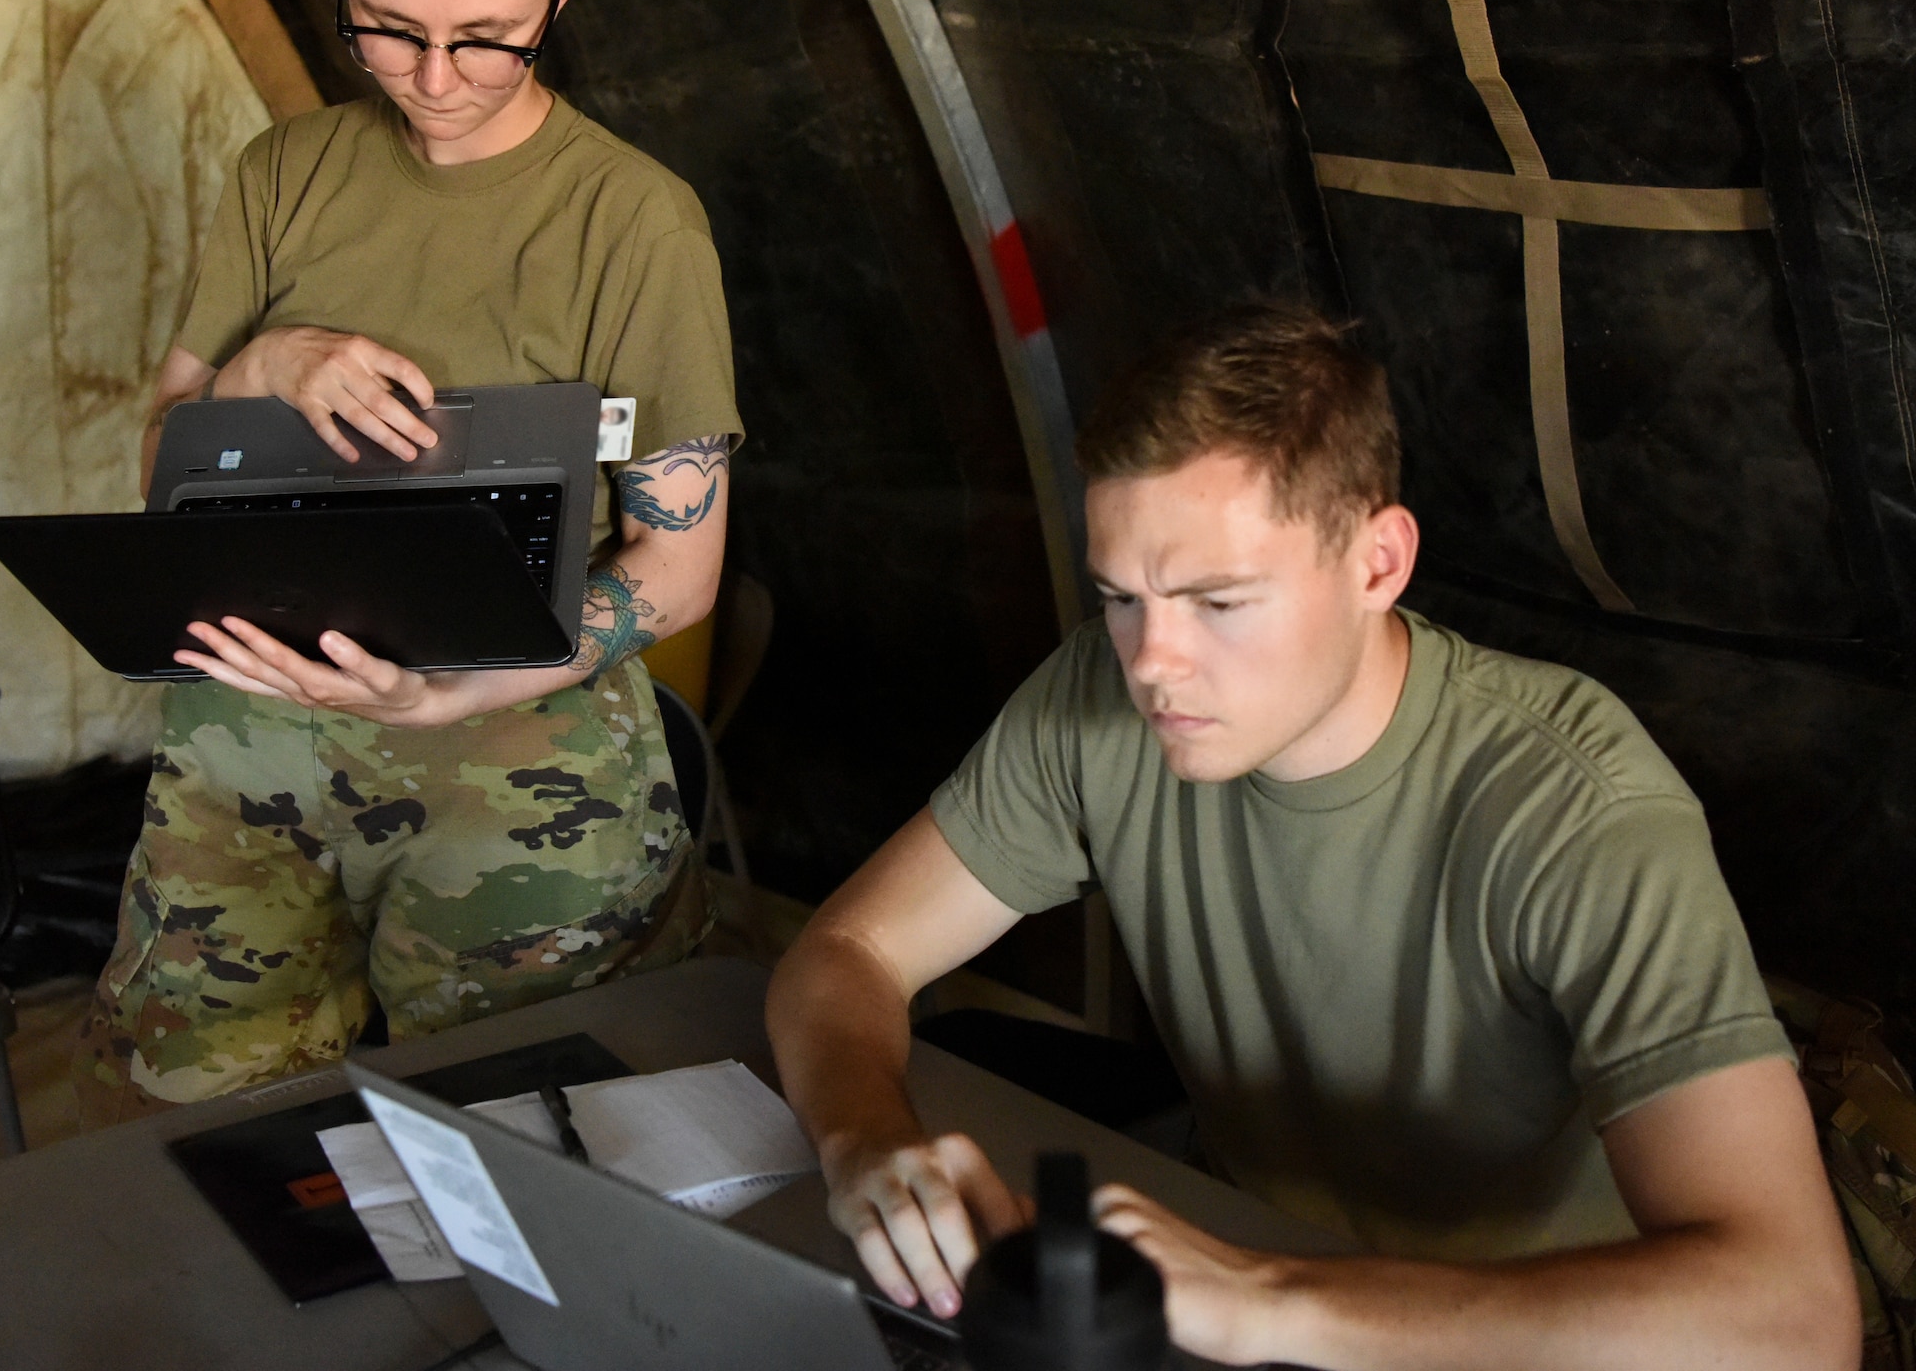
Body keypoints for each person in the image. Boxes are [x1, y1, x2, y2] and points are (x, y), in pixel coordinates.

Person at [766, 302, 1859, 1370]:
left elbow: (1791, 1317)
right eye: (1121, 597)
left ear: (1377, 562)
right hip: (1240, 1291)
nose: (1151, 661)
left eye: (1217, 601)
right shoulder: (1093, 702)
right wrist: (865, 1141)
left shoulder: (1571, 805)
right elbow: (846, 954)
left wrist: (1265, 1298)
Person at [75, 0, 741, 1123]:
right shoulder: (284, 174)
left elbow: (678, 574)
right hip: (244, 766)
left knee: (529, 1138)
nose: (435, 81)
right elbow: (160, 463)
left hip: (516, 782)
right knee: (222, 1143)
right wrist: (268, 366)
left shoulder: (636, 223)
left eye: (487, 38)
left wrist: (452, 700)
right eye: (388, 29)